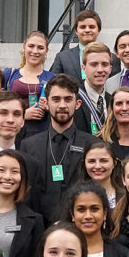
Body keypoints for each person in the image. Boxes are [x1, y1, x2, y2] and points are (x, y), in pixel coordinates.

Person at [21, 74, 93, 223]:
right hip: (40, 230)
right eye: (56, 99)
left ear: (78, 104)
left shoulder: (92, 145)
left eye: (68, 99)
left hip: (80, 227)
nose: (62, 105)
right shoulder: (28, 146)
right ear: (46, 103)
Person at [61, 182, 129, 257]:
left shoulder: (122, 255)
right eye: (81, 209)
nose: (88, 215)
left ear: (104, 213)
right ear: (72, 215)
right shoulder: (58, 254)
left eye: (94, 209)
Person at [4, 31, 54, 138]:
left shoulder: (53, 78)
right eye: (31, 46)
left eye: (40, 48)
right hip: (13, 133)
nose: (35, 51)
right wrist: (22, 115)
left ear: (47, 51)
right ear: (24, 47)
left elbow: (60, 108)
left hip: (42, 134)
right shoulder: (9, 74)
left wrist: (50, 107)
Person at [50, 9, 120, 79]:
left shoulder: (113, 58)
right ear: (76, 31)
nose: (87, 30)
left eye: (91, 27)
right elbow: (54, 85)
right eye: (82, 27)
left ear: (98, 30)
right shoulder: (62, 57)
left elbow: (114, 85)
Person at [73, 41, 114, 136]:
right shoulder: (73, 99)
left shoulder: (113, 101)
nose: (100, 70)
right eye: (94, 64)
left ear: (110, 69)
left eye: (104, 64)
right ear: (83, 68)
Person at [75, 136, 124, 209]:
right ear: (84, 164)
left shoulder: (126, 196)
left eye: (103, 161)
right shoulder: (76, 196)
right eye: (91, 161)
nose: (97, 166)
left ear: (114, 163)